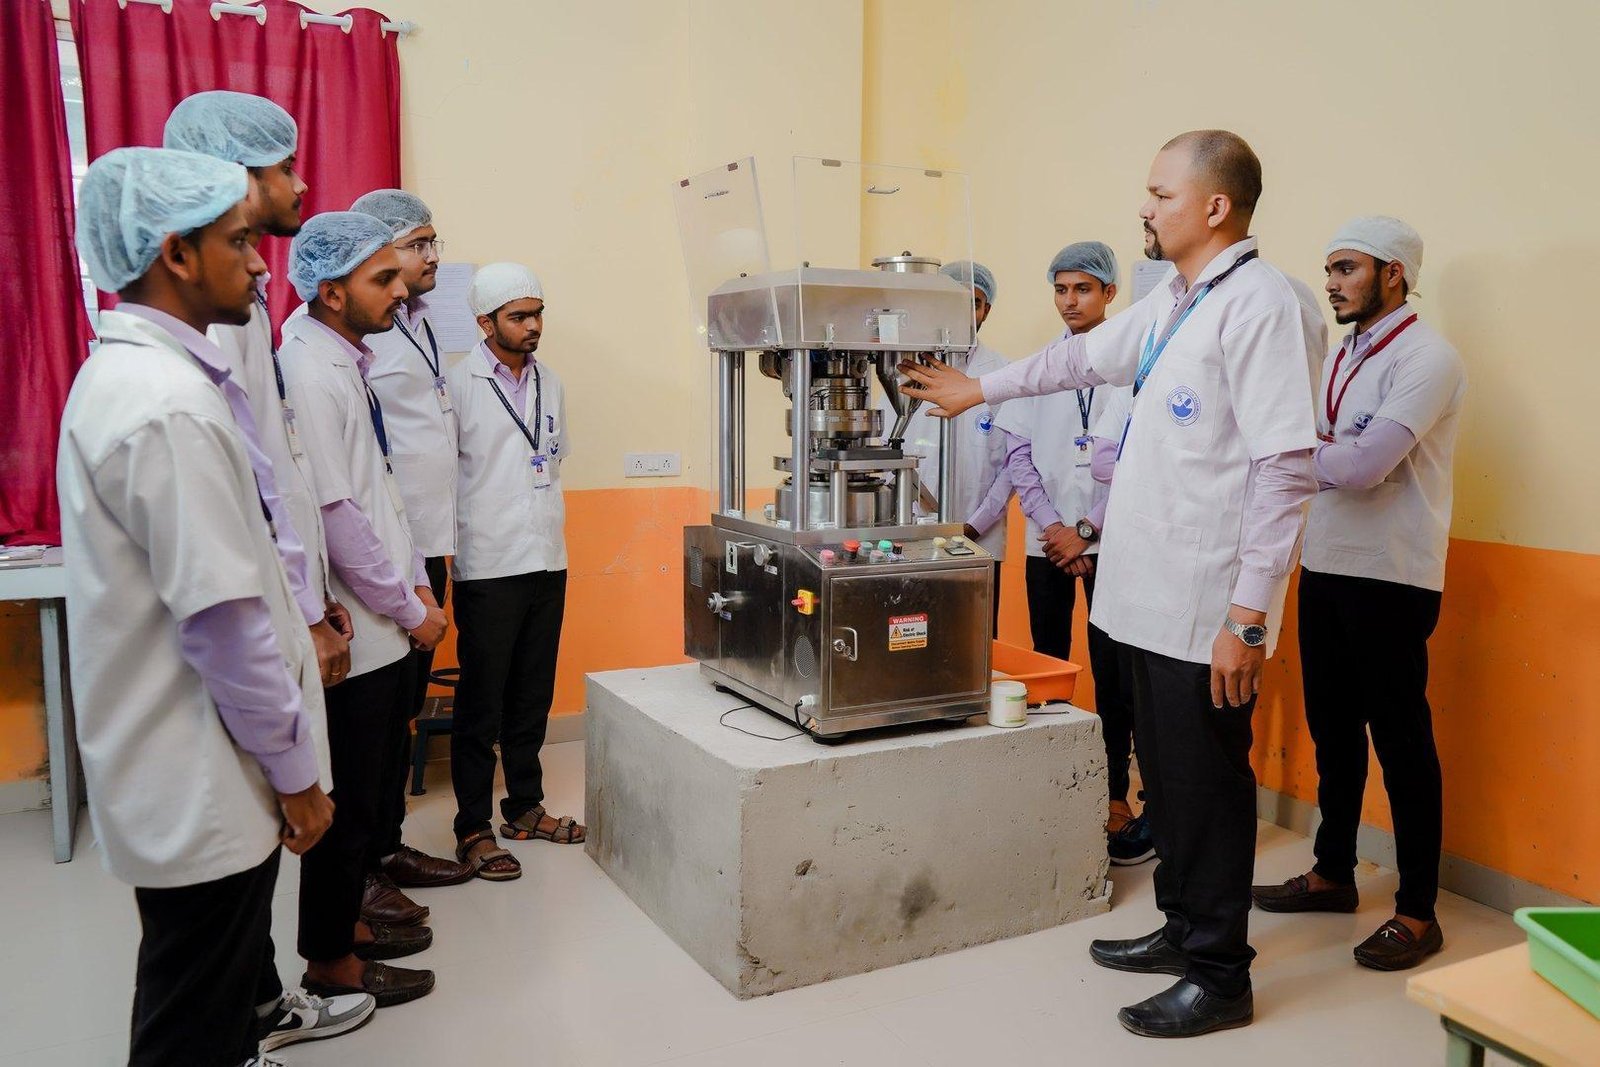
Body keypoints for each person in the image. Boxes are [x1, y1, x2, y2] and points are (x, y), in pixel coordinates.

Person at [900, 130, 1319, 1038]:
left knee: (1206, 785)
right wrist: (981, 391)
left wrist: (1249, 616)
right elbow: (1078, 361)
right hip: (1144, 594)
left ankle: (1221, 973)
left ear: (1215, 206)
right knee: (1164, 775)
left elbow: (1286, 468)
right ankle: (1180, 925)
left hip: (1206, 603)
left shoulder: (1260, 305)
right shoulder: (1175, 299)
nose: (1145, 206)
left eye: (1161, 193)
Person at [60, 146, 336, 1067]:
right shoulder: (166, 406)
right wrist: (297, 775)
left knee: (201, 1007)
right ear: (175, 253)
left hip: (188, 768)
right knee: (191, 1027)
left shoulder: (141, 379)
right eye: (240, 241)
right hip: (203, 775)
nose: (260, 264)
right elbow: (225, 626)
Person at [161, 89, 378, 1054]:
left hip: (278, 601)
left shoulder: (238, 310)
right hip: (252, 614)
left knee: (249, 854)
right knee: (248, 843)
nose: (300, 182)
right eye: (284, 166)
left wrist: (310, 600)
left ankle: (257, 1004)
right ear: (236, 177)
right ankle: (251, 1008)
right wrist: (307, 609)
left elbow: (272, 467)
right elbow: (250, 491)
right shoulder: (208, 326)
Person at [1252, 217, 1466, 971]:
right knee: (1333, 731)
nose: (1332, 283)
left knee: (1401, 742)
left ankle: (1418, 911)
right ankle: (1332, 873)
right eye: (1329, 269)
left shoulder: (1428, 357)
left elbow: (1366, 465)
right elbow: (1335, 455)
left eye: (1346, 268)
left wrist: (1292, 456)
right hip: (1327, 563)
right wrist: (1322, 454)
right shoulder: (1346, 353)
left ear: (1393, 272)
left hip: (1392, 575)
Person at [279, 212, 447, 1007]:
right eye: (383, 278)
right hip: (361, 621)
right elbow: (337, 513)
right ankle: (331, 962)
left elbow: (379, 489)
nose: (401, 288)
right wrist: (408, 607)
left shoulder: (344, 359)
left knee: (370, 793)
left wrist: (418, 588)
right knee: (346, 809)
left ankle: (346, 926)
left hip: (385, 614)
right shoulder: (309, 370)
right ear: (331, 290)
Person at [993, 241, 1149, 863]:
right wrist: (1056, 528)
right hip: (1047, 546)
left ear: (1110, 293)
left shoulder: (1131, 367)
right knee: (1049, 664)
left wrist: (1086, 531)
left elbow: (1137, 461)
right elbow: (1018, 459)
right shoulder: (1039, 370)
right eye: (1060, 289)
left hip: (1112, 543)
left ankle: (1114, 794)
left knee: (1115, 674)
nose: (1069, 301)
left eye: (1083, 289)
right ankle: (1052, 786)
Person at [350, 188, 475, 894]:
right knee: (372, 717)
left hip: (429, 544)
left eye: (434, 243)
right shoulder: (354, 334)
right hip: (384, 551)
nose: (432, 257)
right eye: (417, 244)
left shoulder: (420, 319)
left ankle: (388, 847)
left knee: (403, 707)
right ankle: (360, 868)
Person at [445, 262, 585, 879]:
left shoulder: (550, 381)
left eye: (537, 313)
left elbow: (551, 460)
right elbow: (442, 474)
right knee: (482, 704)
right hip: (488, 563)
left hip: (547, 558)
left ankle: (524, 808)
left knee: (532, 696)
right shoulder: (457, 384)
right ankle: (472, 827)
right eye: (518, 316)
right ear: (486, 322)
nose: (533, 326)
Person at [893, 260, 1012, 632]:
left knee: (974, 639)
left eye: (973, 303)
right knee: (910, 635)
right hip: (909, 534)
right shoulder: (902, 369)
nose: (963, 313)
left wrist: (974, 526)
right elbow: (884, 448)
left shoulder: (1003, 373)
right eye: (953, 301)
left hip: (979, 537)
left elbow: (1013, 464)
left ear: (986, 310)